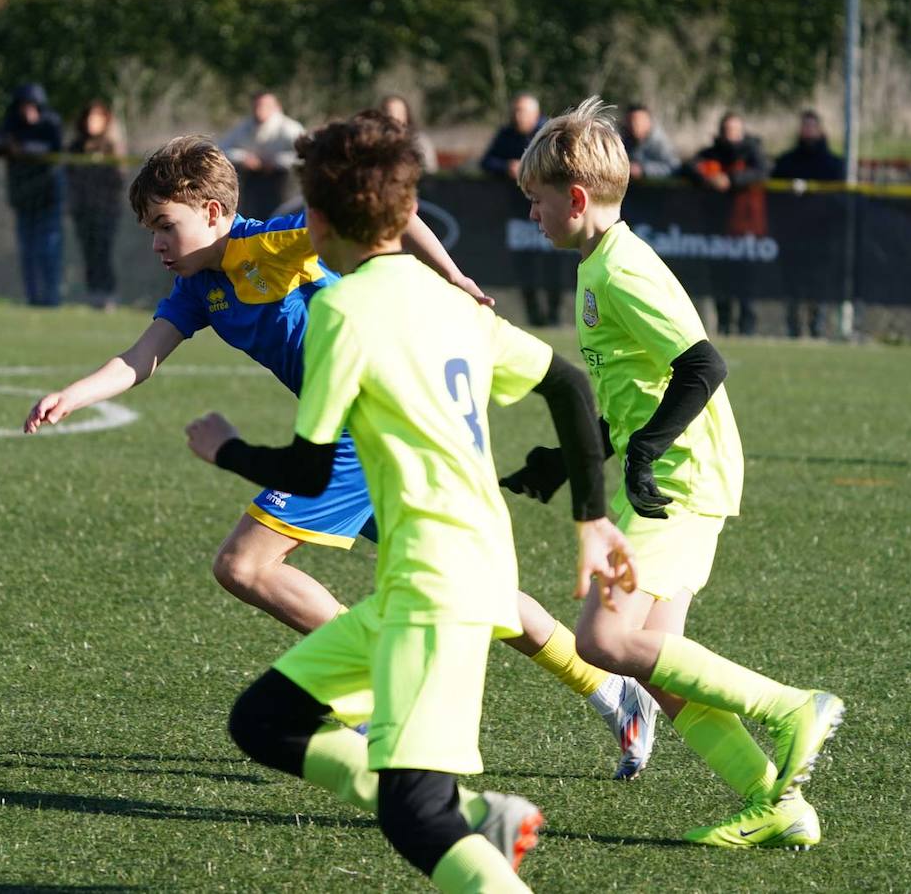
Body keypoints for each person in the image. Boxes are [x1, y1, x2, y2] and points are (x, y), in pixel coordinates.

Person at [24, 134, 660, 781]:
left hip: (354, 436)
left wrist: (451, 276)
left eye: (166, 225)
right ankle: (611, 691)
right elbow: (140, 357)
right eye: (150, 229)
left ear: (214, 214)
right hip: (376, 437)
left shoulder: (264, 246)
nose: (156, 243)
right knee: (480, 587)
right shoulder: (198, 287)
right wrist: (72, 395)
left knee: (244, 565)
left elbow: (388, 211)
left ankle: (370, 693)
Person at [182, 110, 637, 892]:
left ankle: (468, 823)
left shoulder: (343, 310)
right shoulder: (451, 303)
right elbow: (567, 383)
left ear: (317, 221)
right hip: (432, 579)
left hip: (434, 590)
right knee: (262, 723)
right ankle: (482, 815)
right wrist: (591, 519)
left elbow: (310, 469)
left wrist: (223, 447)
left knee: (415, 815)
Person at [514, 96, 844, 849]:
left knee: (601, 637)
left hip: (680, 476)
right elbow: (637, 390)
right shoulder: (599, 261)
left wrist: (645, 452)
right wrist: (569, 459)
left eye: (534, 201)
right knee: (663, 665)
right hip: (679, 467)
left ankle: (792, 706)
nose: (530, 214)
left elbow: (703, 367)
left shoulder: (622, 270)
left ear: (573, 198)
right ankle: (777, 804)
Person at [481, 93, 561, 328]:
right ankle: (534, 317)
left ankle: (554, 316)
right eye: (516, 111)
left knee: (552, 264)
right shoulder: (506, 135)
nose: (518, 116)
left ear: (536, 113)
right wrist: (506, 166)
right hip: (518, 212)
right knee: (525, 266)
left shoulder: (549, 133)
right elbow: (486, 161)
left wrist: (530, 168)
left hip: (549, 209)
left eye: (523, 111)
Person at [0, 83, 66, 307]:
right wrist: (7, 145)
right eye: (24, 106)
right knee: (28, 251)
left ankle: (51, 298)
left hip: (47, 197)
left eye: (33, 106)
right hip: (23, 198)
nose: (28, 111)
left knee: (48, 250)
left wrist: (23, 149)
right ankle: (34, 297)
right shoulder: (12, 124)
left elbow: (54, 147)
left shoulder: (50, 122)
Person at [690, 113, 771, 336]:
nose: (730, 134)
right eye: (727, 129)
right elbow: (691, 166)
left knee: (747, 285)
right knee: (721, 283)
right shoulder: (713, 154)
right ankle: (724, 328)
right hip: (718, 230)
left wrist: (732, 180)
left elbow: (762, 172)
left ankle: (747, 331)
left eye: (735, 129)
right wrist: (709, 178)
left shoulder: (752, 152)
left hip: (747, 231)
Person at [772, 110, 844, 339]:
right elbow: (773, 190)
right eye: (805, 126)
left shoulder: (833, 164)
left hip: (821, 234)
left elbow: (839, 199)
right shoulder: (787, 162)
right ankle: (793, 328)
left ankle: (817, 329)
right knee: (791, 284)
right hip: (792, 233)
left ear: (821, 130)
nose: (809, 131)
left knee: (818, 285)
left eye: (813, 126)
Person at [67, 100, 126, 310]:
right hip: (83, 209)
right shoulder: (76, 147)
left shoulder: (110, 146)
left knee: (103, 250)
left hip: (106, 209)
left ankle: (107, 295)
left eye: (97, 117)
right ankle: (93, 294)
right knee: (89, 252)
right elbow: (70, 177)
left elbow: (118, 178)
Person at [218, 91, 305, 220]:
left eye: (265, 106)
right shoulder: (244, 127)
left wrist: (276, 161)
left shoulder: (290, 128)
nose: (260, 110)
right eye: (257, 106)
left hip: (283, 184)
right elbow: (222, 148)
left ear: (276, 107)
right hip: (252, 183)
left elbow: (302, 155)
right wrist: (244, 158)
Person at [380, 94, 439, 173]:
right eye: (390, 113)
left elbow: (430, 170)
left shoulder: (420, 141)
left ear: (406, 115)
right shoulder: (376, 141)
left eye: (399, 113)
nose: (395, 118)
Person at [619, 104, 680, 180]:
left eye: (638, 121)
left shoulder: (659, 143)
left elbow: (673, 167)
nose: (634, 125)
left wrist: (643, 169)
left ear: (649, 122)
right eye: (630, 121)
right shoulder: (624, 139)